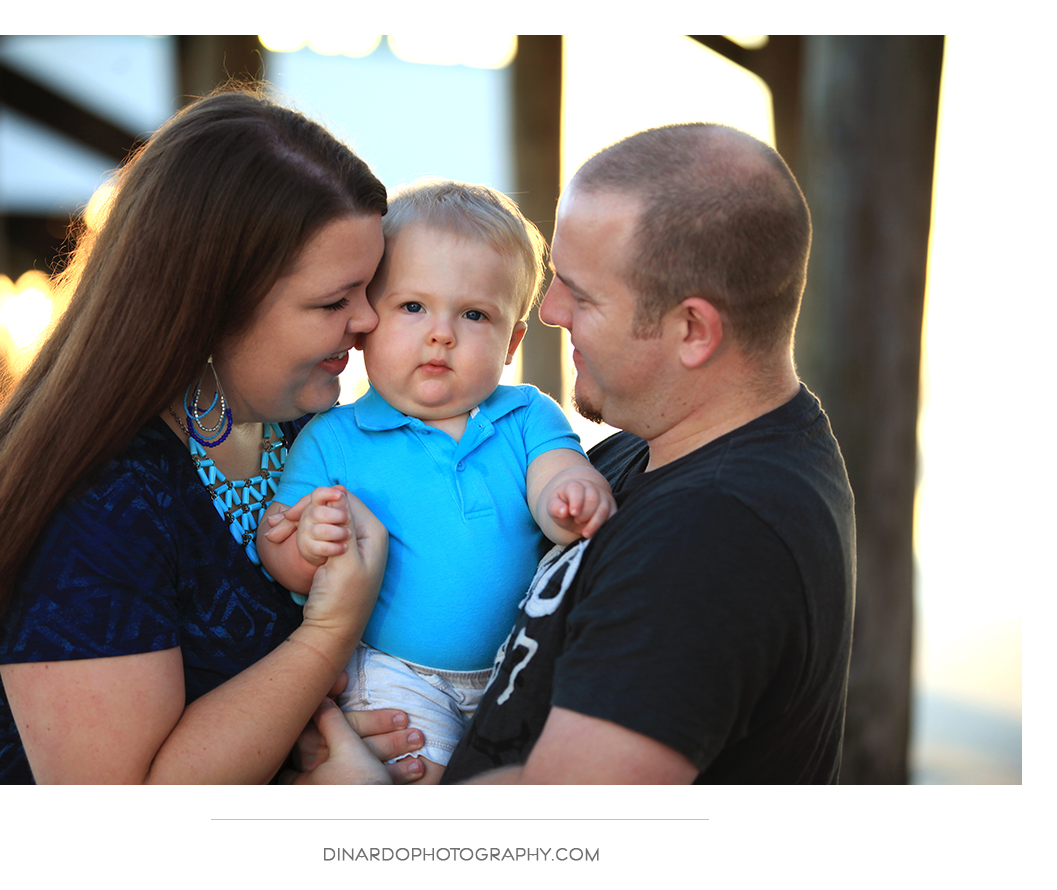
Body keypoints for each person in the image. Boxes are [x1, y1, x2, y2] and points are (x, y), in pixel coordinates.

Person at [295, 123, 857, 785]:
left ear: (692, 329)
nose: (551, 311)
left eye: (580, 293)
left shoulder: (713, 536)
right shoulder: (639, 455)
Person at [0, 88, 425, 784]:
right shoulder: (92, 505)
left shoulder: (303, 433)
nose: (368, 320)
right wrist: (327, 640)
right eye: (334, 300)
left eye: (371, 288)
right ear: (210, 303)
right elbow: (124, 825)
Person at [259, 179, 616, 784]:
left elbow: (554, 473)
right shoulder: (334, 437)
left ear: (513, 343)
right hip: (395, 673)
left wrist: (571, 496)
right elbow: (278, 550)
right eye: (413, 306)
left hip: (516, 664)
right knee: (428, 789)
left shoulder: (525, 415)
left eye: (474, 314)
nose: (441, 333)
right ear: (367, 320)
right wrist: (307, 545)